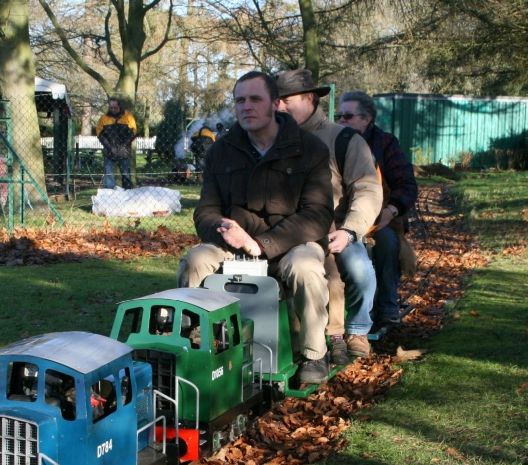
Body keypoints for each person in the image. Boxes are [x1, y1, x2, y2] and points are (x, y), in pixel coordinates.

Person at [177, 71, 335, 385]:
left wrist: (261, 244)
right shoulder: (221, 150)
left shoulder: (310, 149)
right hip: (233, 244)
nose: (246, 106)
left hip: (293, 245)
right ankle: (194, 347)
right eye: (240, 100)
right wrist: (224, 226)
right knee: (196, 261)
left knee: (305, 268)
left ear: (275, 104)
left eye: (255, 99)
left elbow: (317, 214)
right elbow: (206, 211)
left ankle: (315, 354)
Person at [276, 69, 382, 365]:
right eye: (275, 100)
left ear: (310, 98)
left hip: (337, 228)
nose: (279, 106)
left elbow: (367, 189)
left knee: (358, 270)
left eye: (287, 100)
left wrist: (350, 231)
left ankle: (357, 329)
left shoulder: (344, 139)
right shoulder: (270, 137)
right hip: (287, 230)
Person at [338, 90, 418, 327]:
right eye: (339, 116)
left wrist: (391, 211)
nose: (342, 120)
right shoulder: (333, 140)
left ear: (367, 119)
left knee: (387, 241)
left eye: (348, 116)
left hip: (378, 219)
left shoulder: (385, 143)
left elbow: (406, 185)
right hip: (341, 216)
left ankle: (387, 305)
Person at [96, 97, 137, 189]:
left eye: (115, 107)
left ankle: (128, 193)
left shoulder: (128, 117)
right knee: (108, 174)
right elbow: (100, 134)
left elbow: (133, 132)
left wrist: (123, 145)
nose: (113, 110)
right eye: (111, 107)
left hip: (124, 151)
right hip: (109, 151)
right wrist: (109, 147)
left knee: (126, 175)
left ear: (119, 106)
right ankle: (109, 193)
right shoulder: (104, 118)